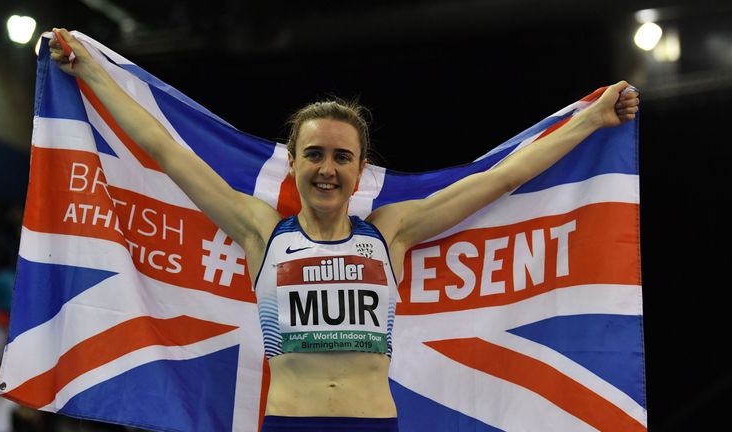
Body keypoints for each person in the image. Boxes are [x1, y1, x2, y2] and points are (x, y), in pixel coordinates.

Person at [48, 28, 639, 432]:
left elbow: (503, 178)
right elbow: (162, 150)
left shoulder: (392, 232)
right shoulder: (261, 232)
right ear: (295, 161)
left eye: (340, 157)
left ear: (360, 168)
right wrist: (91, 73)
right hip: (287, 422)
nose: (326, 169)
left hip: (371, 423)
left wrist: (592, 118)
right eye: (313, 155)